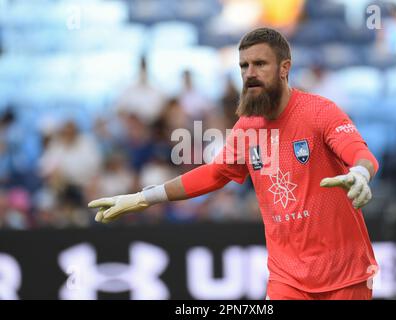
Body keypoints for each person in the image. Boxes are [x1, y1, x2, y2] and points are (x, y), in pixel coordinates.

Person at [88, 28, 379, 300]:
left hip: (345, 273)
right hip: (287, 278)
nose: (250, 74)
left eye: (260, 64)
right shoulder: (247, 127)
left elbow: (359, 152)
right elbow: (215, 173)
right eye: (244, 66)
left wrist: (360, 173)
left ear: (284, 68)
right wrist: (144, 198)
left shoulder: (319, 111)